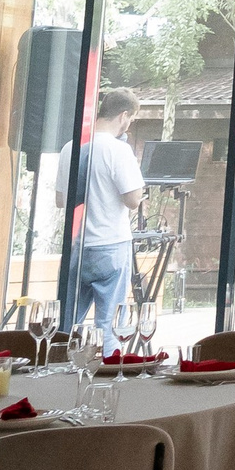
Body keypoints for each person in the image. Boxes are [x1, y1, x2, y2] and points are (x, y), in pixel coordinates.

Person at [54, 92, 145, 333]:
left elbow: (61, 200)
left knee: (66, 325)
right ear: (123, 115)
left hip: (78, 247)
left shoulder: (71, 147)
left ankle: (62, 355)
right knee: (109, 327)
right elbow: (133, 200)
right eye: (131, 119)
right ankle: (107, 358)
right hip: (110, 245)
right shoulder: (118, 150)